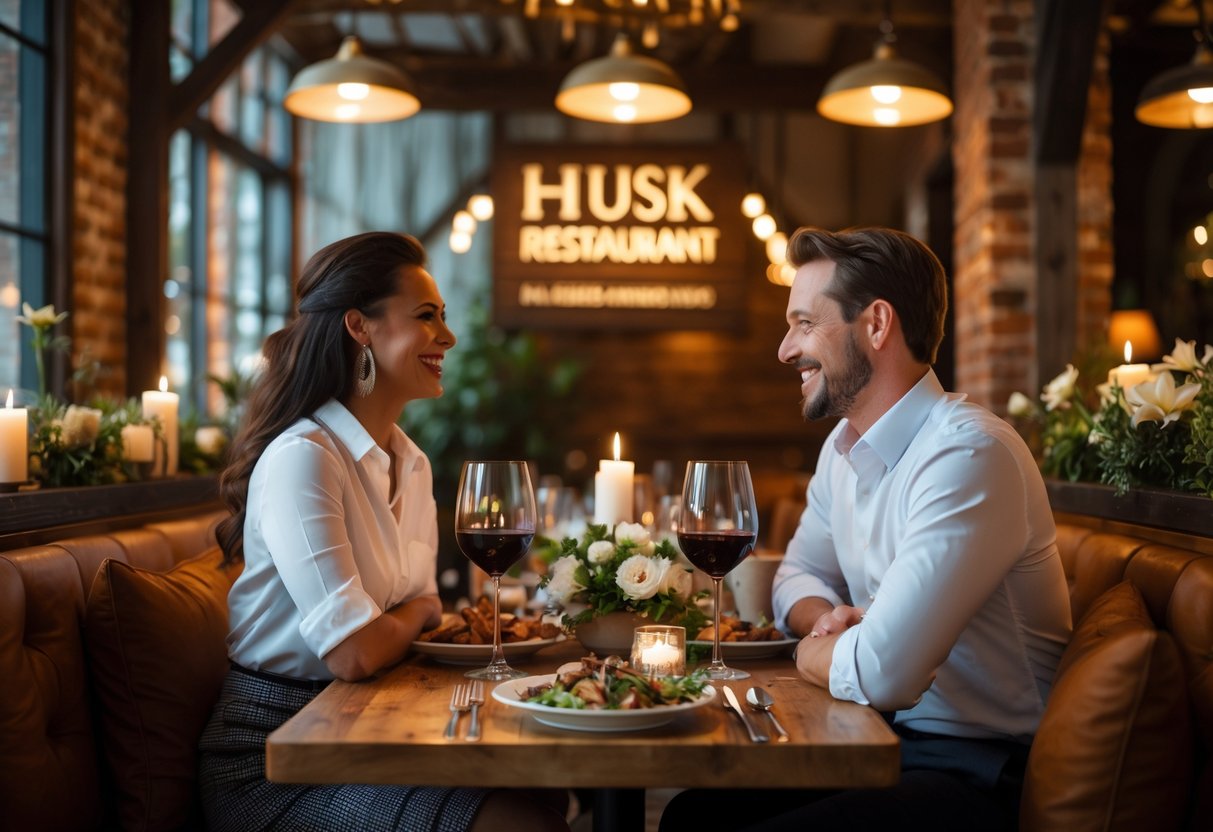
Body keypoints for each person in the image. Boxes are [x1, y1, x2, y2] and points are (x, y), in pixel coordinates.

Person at [661, 227, 1071, 832]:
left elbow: (882, 673)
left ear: (877, 325)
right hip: (878, 738)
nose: (785, 350)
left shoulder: (968, 455)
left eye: (805, 324)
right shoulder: (843, 447)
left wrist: (812, 649)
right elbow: (795, 577)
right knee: (691, 816)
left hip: (981, 771)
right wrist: (833, 623)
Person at [199, 231, 569, 832]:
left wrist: (411, 616)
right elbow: (354, 651)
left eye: (443, 316)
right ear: (359, 327)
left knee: (550, 795)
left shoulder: (411, 462)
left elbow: (411, 619)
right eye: (426, 316)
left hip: (376, 722)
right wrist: (415, 613)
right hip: (276, 755)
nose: (448, 336)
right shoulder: (304, 458)